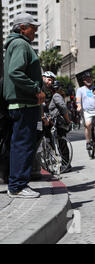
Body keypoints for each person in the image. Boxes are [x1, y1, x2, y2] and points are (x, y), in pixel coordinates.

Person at [3, 13, 45, 198]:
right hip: (24, 103)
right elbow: (16, 73)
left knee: (20, 145)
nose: (35, 31)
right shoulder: (20, 44)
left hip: (21, 104)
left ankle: (16, 183)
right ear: (22, 28)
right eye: (32, 27)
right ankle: (18, 186)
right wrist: (36, 89)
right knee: (23, 145)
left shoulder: (16, 44)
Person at [48, 80, 72, 172]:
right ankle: (65, 164)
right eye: (60, 87)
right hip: (57, 123)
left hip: (59, 123)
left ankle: (66, 165)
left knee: (62, 144)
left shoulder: (56, 96)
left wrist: (67, 120)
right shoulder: (56, 95)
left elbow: (63, 107)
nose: (62, 89)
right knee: (60, 143)